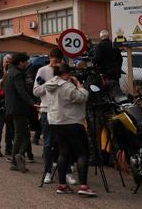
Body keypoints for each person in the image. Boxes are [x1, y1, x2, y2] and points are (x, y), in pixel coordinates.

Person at [45, 64, 96, 197]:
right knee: (82, 153)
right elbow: (82, 97)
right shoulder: (67, 86)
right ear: (67, 74)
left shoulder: (49, 84)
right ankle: (83, 186)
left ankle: (62, 185)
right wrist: (79, 85)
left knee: (63, 152)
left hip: (56, 122)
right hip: (72, 122)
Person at [33, 47, 66, 184]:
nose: (56, 64)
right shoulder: (42, 71)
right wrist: (49, 85)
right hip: (47, 110)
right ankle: (47, 171)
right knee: (48, 142)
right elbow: (36, 91)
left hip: (62, 111)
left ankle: (66, 171)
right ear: (49, 57)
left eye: (59, 61)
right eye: (54, 61)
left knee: (63, 143)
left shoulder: (64, 70)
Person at [4, 53, 35, 173]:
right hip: (19, 108)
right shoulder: (17, 74)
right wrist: (32, 103)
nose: (26, 64)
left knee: (22, 134)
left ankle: (16, 159)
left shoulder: (8, 72)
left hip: (11, 108)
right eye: (25, 62)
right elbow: (21, 91)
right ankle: (17, 157)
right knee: (21, 135)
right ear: (20, 62)